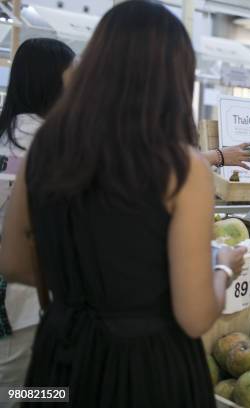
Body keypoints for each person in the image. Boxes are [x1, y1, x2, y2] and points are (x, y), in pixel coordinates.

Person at [0, 1, 245, 406]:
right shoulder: (182, 169)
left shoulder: (45, 149)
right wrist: (221, 266)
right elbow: (195, 315)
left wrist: (77, 280)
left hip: (61, 360)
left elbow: (11, 262)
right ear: (174, 77)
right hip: (151, 371)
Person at [0, 38, 75, 394]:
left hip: (15, 297)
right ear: (51, 83)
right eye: (70, 78)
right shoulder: (47, 142)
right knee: (20, 389)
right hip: (22, 299)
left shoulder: (9, 133)